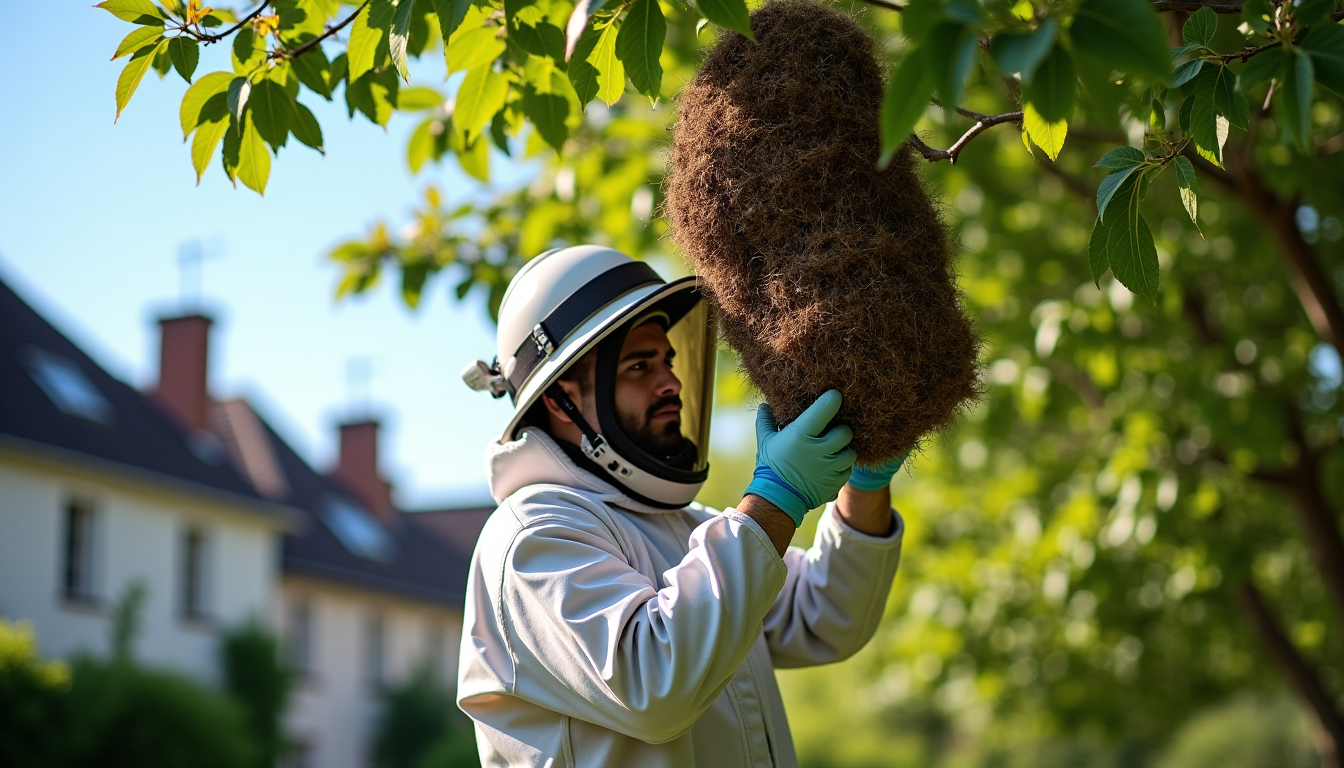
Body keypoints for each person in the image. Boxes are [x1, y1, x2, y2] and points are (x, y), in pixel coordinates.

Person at [457, 245, 908, 767]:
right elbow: (655, 685)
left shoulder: (690, 528)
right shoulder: (532, 537)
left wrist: (865, 484)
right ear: (561, 400)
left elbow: (827, 617)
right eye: (639, 366)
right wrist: (778, 497)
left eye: (667, 361)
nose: (670, 382)